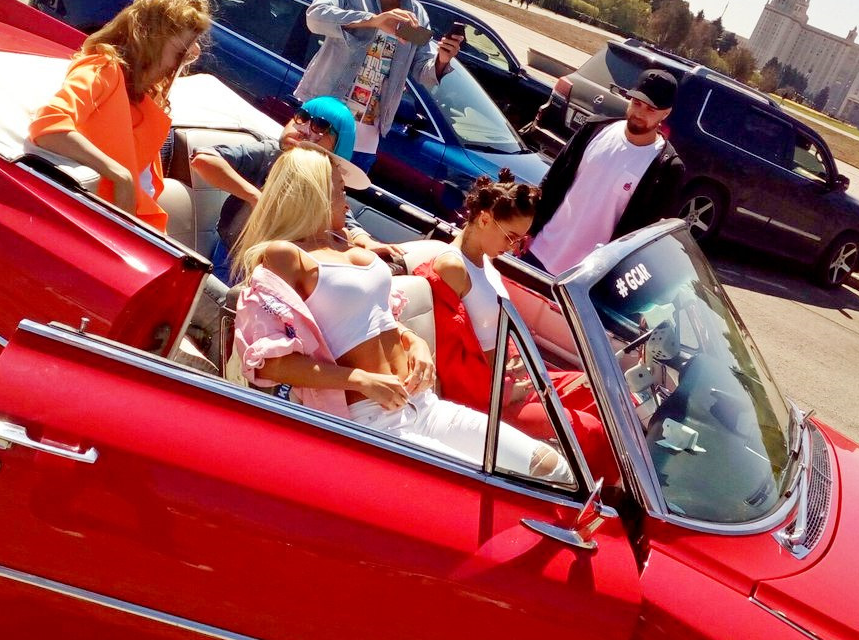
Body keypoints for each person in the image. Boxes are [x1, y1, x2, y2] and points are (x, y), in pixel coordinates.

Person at [232, 145, 569, 480]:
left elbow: (377, 314)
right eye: (339, 192)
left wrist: (413, 341)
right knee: (487, 488)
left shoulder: (344, 241)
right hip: (370, 419)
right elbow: (268, 362)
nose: (346, 203)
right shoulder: (284, 256)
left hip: (422, 404)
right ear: (312, 194)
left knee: (552, 469)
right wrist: (360, 380)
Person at [410, 172, 612, 478]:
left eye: (521, 239)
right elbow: (450, 362)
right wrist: (506, 391)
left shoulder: (486, 262)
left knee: (600, 394)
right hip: (489, 398)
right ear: (484, 219)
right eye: (510, 237)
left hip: (513, 379)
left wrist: (520, 368)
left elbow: (495, 330)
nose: (515, 247)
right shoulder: (452, 267)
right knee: (590, 430)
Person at [28, 0, 211, 232]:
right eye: (181, 53)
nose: (190, 57)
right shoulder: (104, 67)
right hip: (100, 228)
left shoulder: (144, 94)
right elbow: (49, 126)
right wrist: (119, 175)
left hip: (132, 229)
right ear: (152, 41)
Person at [295, 0, 464, 172]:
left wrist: (442, 60)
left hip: (365, 141)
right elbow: (315, 18)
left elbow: (422, 71)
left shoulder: (416, 15)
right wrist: (373, 20)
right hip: (320, 125)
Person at [188, 95, 398, 282]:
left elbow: (342, 214)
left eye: (320, 126)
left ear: (338, 146)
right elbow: (203, 159)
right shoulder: (270, 153)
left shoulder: (327, 178)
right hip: (234, 258)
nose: (303, 129)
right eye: (302, 117)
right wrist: (256, 198)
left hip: (281, 273)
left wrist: (365, 241)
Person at [523, 68, 684, 275]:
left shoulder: (666, 167)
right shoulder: (594, 129)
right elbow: (553, 181)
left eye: (651, 109)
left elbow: (646, 239)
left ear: (666, 113)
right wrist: (528, 228)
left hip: (585, 277)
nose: (639, 113)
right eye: (636, 103)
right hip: (538, 251)